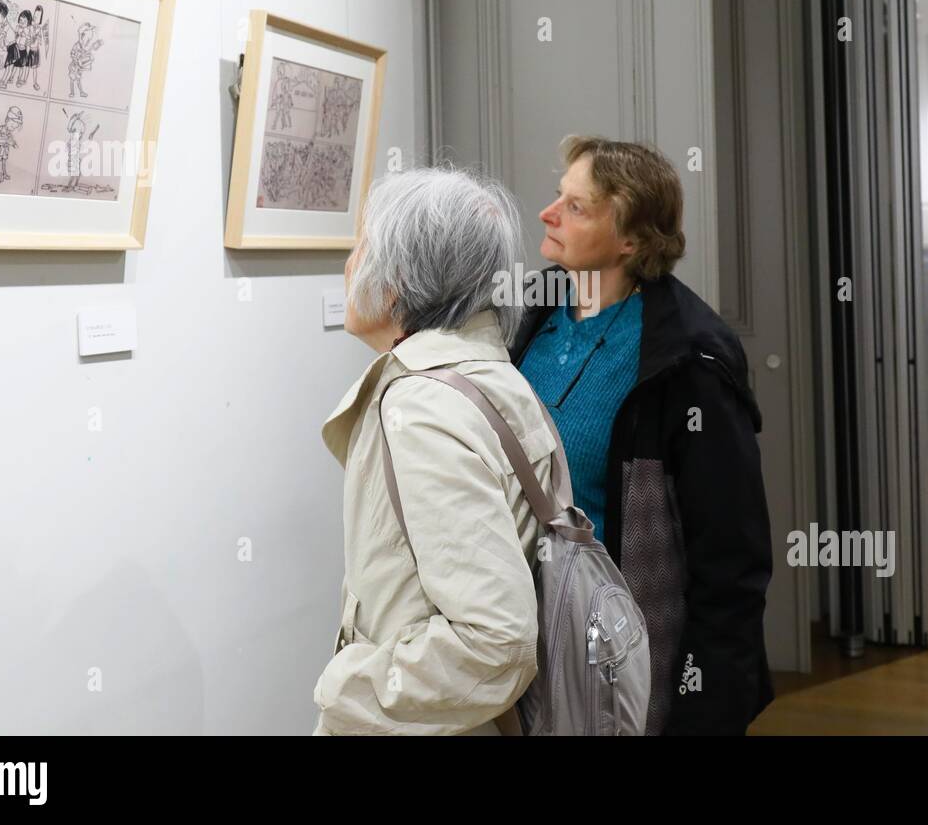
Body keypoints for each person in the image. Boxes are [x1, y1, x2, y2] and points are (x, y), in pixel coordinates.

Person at [512, 135, 773, 735]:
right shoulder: (532, 316)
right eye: (559, 196)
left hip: (620, 654)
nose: (548, 213)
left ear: (631, 238)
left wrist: (705, 706)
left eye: (576, 207)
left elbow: (731, 555)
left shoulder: (689, 357)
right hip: (520, 638)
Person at [313, 168, 552, 735]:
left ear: (396, 281)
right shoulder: (489, 373)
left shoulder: (423, 406)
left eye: (361, 248)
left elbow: (498, 641)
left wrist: (346, 685)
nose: (349, 266)